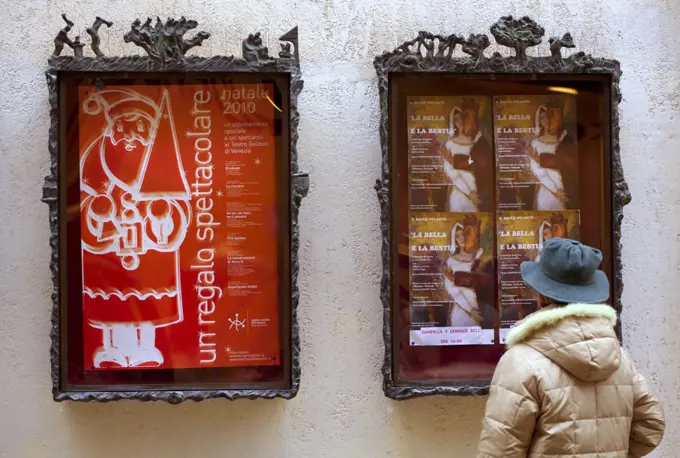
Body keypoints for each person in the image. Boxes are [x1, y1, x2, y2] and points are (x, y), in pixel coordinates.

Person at [478, 238, 665, 457]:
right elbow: (651, 426)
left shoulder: (520, 362)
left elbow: (500, 451)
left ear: (541, 294)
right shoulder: (619, 358)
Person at [441, 99, 492, 212]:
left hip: (476, 188)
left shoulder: (475, 141)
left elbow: (474, 162)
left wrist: (455, 162)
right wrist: (469, 193)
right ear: (452, 122)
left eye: (461, 118)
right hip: (460, 193)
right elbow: (451, 173)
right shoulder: (449, 144)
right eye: (456, 119)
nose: (459, 121)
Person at [527, 101, 575, 211]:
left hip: (566, 187)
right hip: (548, 191)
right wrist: (556, 191)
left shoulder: (563, 140)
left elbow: (568, 163)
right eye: (542, 118)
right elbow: (538, 171)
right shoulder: (535, 143)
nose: (546, 121)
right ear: (539, 120)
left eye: (549, 117)